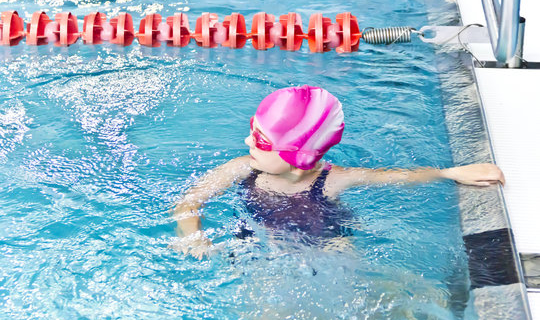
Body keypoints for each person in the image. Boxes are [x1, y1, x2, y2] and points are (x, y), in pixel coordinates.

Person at [171, 85, 505, 259]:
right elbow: (190, 200)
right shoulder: (242, 167)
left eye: (260, 139)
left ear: (297, 156)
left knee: (346, 261)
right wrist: (192, 234)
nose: (247, 141)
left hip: (326, 238)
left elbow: (392, 176)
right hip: (262, 239)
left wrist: (450, 173)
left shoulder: (331, 179)